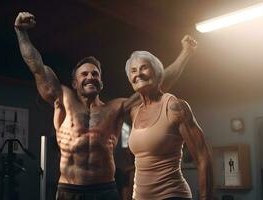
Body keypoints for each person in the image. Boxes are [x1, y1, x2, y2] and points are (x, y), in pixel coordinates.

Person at [14, 11, 197, 200]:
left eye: (95, 74)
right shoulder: (63, 99)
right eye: (84, 74)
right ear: (75, 83)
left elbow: (157, 83)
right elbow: (36, 65)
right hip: (69, 190)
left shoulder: (115, 108)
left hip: (104, 190)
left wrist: (185, 53)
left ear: (101, 82)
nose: (90, 77)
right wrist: (21, 32)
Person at [125, 51, 213, 200]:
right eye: (133, 71)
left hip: (172, 195)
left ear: (157, 73)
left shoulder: (175, 107)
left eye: (144, 68)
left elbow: (202, 157)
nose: (138, 74)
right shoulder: (134, 112)